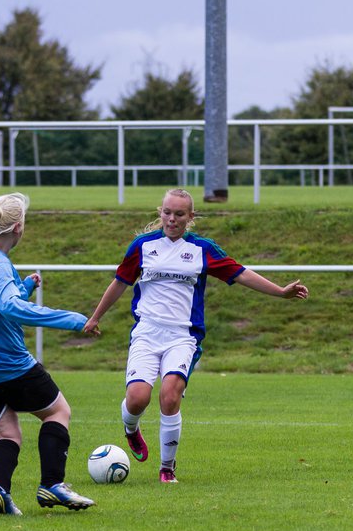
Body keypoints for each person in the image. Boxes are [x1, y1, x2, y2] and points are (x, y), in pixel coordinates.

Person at [84, 188, 309, 483]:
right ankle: (131, 428)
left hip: (183, 336)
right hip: (147, 334)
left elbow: (240, 273)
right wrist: (96, 316)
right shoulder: (142, 246)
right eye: (167, 212)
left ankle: (167, 468)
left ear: (191, 217)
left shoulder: (202, 249)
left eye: (179, 214)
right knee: (138, 399)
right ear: (159, 212)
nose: (172, 219)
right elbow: (120, 282)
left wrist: (280, 292)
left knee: (169, 396)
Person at [0, 192, 100, 515]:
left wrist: (24, 286)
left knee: (8, 432)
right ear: (18, 227)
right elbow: (9, 306)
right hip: (5, 366)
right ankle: (52, 485)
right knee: (58, 412)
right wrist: (75, 320)